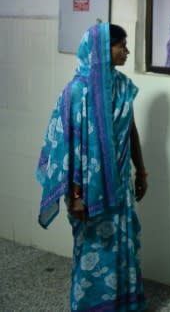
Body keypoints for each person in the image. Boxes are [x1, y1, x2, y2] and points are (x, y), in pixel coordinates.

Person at [36, 23, 148, 311]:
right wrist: (74, 196)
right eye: (120, 45)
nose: (126, 51)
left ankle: (123, 304)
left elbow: (130, 129)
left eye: (125, 45)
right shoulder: (75, 92)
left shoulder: (122, 86)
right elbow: (67, 147)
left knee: (122, 247)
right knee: (92, 249)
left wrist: (141, 170)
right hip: (88, 191)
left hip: (120, 184)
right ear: (100, 49)